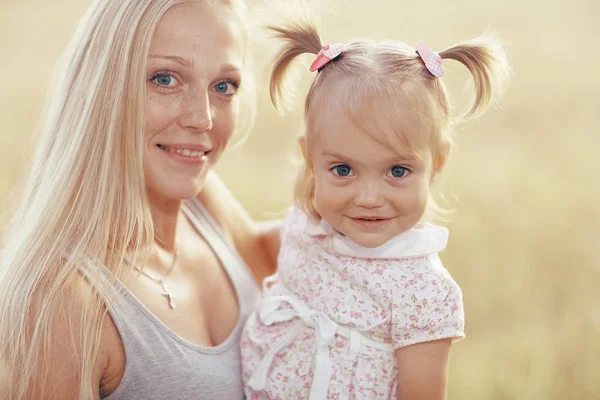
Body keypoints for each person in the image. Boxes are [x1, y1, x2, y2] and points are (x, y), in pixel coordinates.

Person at [0, 0, 281, 399]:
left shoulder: (201, 201)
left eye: (223, 86)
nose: (202, 118)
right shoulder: (64, 301)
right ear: (102, 87)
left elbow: (283, 257)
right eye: (166, 79)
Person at [240, 16, 509, 400]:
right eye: (343, 169)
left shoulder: (423, 292)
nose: (368, 197)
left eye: (397, 170)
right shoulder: (308, 226)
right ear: (310, 160)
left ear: (436, 163)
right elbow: (244, 243)